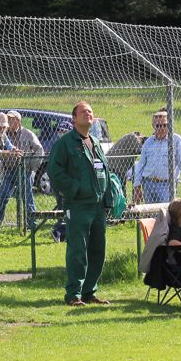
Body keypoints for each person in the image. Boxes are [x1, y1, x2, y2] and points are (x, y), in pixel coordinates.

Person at [47, 101, 120, 306]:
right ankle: (74, 294)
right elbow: (54, 171)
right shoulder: (65, 143)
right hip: (78, 205)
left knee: (98, 249)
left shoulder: (95, 142)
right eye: (83, 111)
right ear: (74, 119)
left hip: (97, 205)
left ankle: (89, 292)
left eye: (90, 111)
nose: (88, 114)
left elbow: (104, 171)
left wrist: (107, 198)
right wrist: (75, 188)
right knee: (78, 250)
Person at [130, 110, 181, 204]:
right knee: (150, 212)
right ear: (153, 126)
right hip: (148, 184)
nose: (162, 128)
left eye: (165, 125)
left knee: (166, 211)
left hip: (167, 185)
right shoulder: (148, 142)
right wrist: (137, 186)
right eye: (158, 126)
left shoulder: (176, 140)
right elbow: (141, 165)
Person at [0, 111, 43, 228]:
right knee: (1, 197)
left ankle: (32, 223)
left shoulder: (27, 133)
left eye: (12, 119)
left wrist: (32, 167)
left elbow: (39, 149)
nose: (9, 121)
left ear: (19, 121)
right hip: (9, 171)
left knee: (27, 198)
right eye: (8, 119)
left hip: (25, 171)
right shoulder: (4, 134)